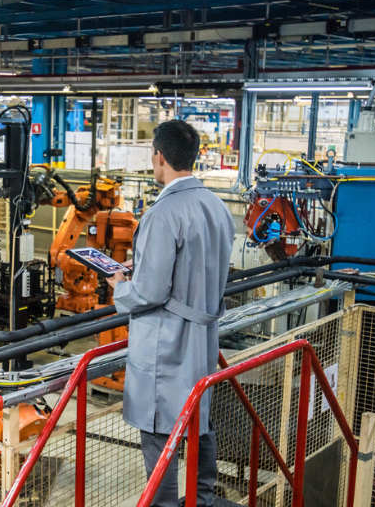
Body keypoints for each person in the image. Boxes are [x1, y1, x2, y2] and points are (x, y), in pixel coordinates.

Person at [107, 119, 235, 507]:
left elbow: (150, 290)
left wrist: (121, 287)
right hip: (204, 337)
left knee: (160, 432)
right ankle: (203, 499)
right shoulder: (216, 206)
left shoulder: (163, 214)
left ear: (158, 157)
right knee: (200, 422)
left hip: (168, 344)